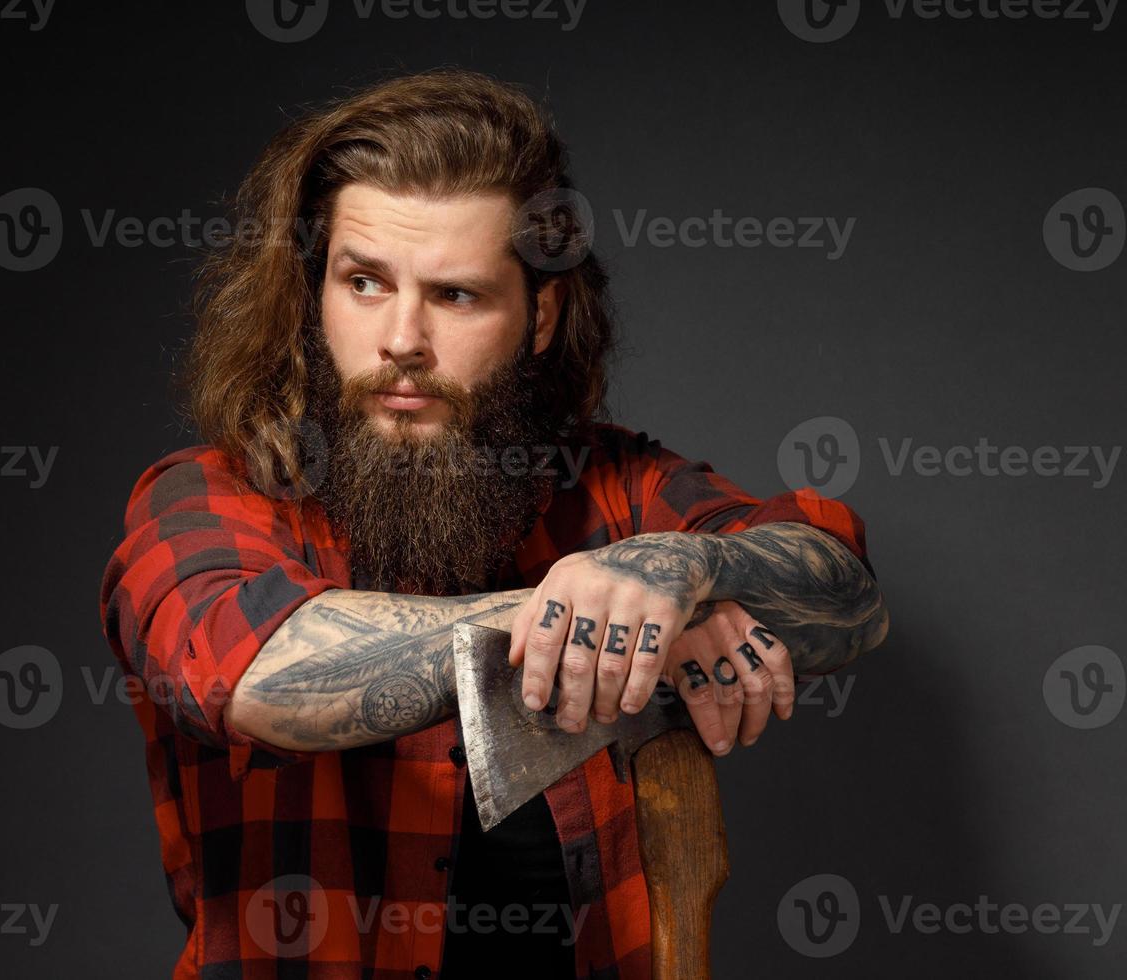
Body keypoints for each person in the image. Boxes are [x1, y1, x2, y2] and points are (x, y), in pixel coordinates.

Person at [99, 68, 888, 979]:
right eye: (363, 283)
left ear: (541, 314)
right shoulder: (203, 497)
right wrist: (594, 615)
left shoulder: (611, 491)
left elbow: (844, 591)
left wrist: (675, 567)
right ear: (313, 295)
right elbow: (256, 675)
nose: (401, 338)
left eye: (456, 296)